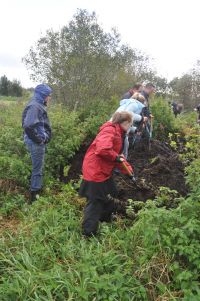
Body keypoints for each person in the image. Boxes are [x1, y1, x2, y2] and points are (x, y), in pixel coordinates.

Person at [79, 111, 134, 237]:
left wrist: (129, 172)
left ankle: (105, 218)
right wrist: (116, 158)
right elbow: (103, 149)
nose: (130, 127)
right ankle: (88, 233)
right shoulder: (110, 130)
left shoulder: (118, 132)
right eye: (130, 124)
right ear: (125, 123)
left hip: (103, 170)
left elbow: (117, 157)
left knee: (111, 192)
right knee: (95, 202)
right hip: (95, 171)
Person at [22, 84, 52, 204]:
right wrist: (39, 139)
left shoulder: (37, 104)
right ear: (43, 95)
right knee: (37, 169)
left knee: (36, 166)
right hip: (35, 143)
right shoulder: (35, 106)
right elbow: (28, 125)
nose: (50, 97)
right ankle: (35, 196)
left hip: (34, 140)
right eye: (49, 95)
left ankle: (34, 189)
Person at [114, 92, 148, 158]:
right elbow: (127, 114)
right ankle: (119, 167)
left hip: (120, 131)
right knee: (122, 154)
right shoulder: (134, 104)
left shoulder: (128, 104)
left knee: (124, 151)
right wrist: (142, 118)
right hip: (118, 132)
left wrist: (134, 130)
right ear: (141, 103)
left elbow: (125, 122)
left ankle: (121, 166)